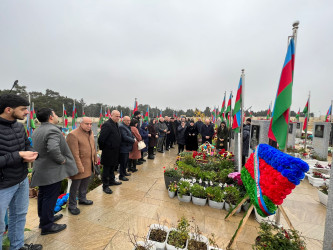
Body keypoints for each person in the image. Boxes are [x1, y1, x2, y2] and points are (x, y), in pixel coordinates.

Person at [0, 94, 42, 250]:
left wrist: (30, 153)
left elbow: (26, 145)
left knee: (18, 216)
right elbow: (18, 153)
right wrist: (18, 155)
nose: (27, 112)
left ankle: (17, 246)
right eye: (23, 109)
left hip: (21, 179)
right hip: (3, 185)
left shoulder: (18, 126)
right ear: (8, 109)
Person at [31, 108, 78, 235]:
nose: (58, 116)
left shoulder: (38, 129)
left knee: (43, 196)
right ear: (51, 117)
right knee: (49, 198)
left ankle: (45, 219)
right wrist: (61, 160)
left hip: (41, 169)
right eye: (56, 113)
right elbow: (53, 149)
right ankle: (47, 226)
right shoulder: (52, 130)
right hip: (51, 172)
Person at [66, 117, 98, 215]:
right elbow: (73, 154)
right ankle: (72, 205)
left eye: (90, 124)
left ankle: (82, 199)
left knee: (85, 183)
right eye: (87, 124)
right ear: (80, 124)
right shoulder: (73, 135)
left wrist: (95, 158)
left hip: (89, 163)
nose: (89, 126)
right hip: (79, 165)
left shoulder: (90, 133)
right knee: (75, 186)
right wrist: (79, 167)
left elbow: (93, 146)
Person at [98, 110, 122, 194]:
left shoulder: (116, 124)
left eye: (119, 116)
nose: (118, 118)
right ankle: (105, 186)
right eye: (116, 116)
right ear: (111, 115)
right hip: (108, 151)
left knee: (112, 167)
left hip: (115, 151)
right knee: (106, 169)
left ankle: (112, 181)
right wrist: (105, 148)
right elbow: (101, 139)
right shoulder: (107, 125)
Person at [118, 116, 135, 181]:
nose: (129, 122)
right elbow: (125, 137)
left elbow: (130, 134)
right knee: (123, 162)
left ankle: (124, 172)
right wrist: (133, 140)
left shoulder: (126, 126)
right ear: (123, 120)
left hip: (127, 147)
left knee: (125, 162)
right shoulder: (122, 126)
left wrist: (133, 137)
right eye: (127, 120)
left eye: (129, 120)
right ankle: (121, 176)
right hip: (123, 147)